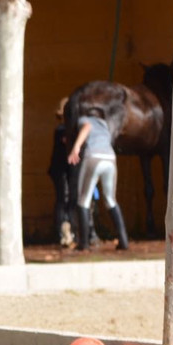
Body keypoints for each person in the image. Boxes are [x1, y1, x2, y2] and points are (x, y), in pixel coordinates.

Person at [68, 107, 128, 251]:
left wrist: (76, 147)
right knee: (110, 199)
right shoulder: (104, 124)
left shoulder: (85, 120)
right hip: (110, 158)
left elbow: (87, 127)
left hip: (93, 157)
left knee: (83, 200)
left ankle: (83, 244)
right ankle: (124, 241)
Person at [48, 97, 74, 247]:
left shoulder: (65, 130)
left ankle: (68, 230)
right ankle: (62, 231)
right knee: (62, 199)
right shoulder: (61, 130)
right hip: (60, 170)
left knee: (67, 199)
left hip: (66, 170)